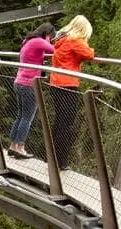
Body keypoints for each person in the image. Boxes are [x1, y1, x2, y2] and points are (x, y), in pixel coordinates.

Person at [49, 15, 95, 169]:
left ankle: (53, 157)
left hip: (55, 83)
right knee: (67, 123)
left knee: (59, 121)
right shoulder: (75, 40)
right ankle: (61, 161)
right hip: (68, 84)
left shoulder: (61, 40)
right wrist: (87, 44)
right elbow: (89, 54)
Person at [8, 22, 56, 158]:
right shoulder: (39, 41)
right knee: (27, 117)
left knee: (21, 115)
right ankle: (20, 147)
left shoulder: (27, 41)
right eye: (50, 37)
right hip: (29, 84)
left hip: (19, 82)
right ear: (47, 34)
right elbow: (55, 51)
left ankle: (12, 146)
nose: (50, 39)